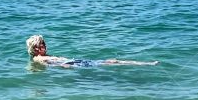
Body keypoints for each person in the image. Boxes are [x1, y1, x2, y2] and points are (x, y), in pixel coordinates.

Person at [26, 35, 157, 67]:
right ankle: (147, 64)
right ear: (35, 48)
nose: (44, 46)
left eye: (44, 43)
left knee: (113, 61)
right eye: (41, 45)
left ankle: (145, 63)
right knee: (111, 62)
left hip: (76, 62)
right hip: (73, 64)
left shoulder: (44, 55)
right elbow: (49, 64)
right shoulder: (38, 58)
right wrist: (64, 66)